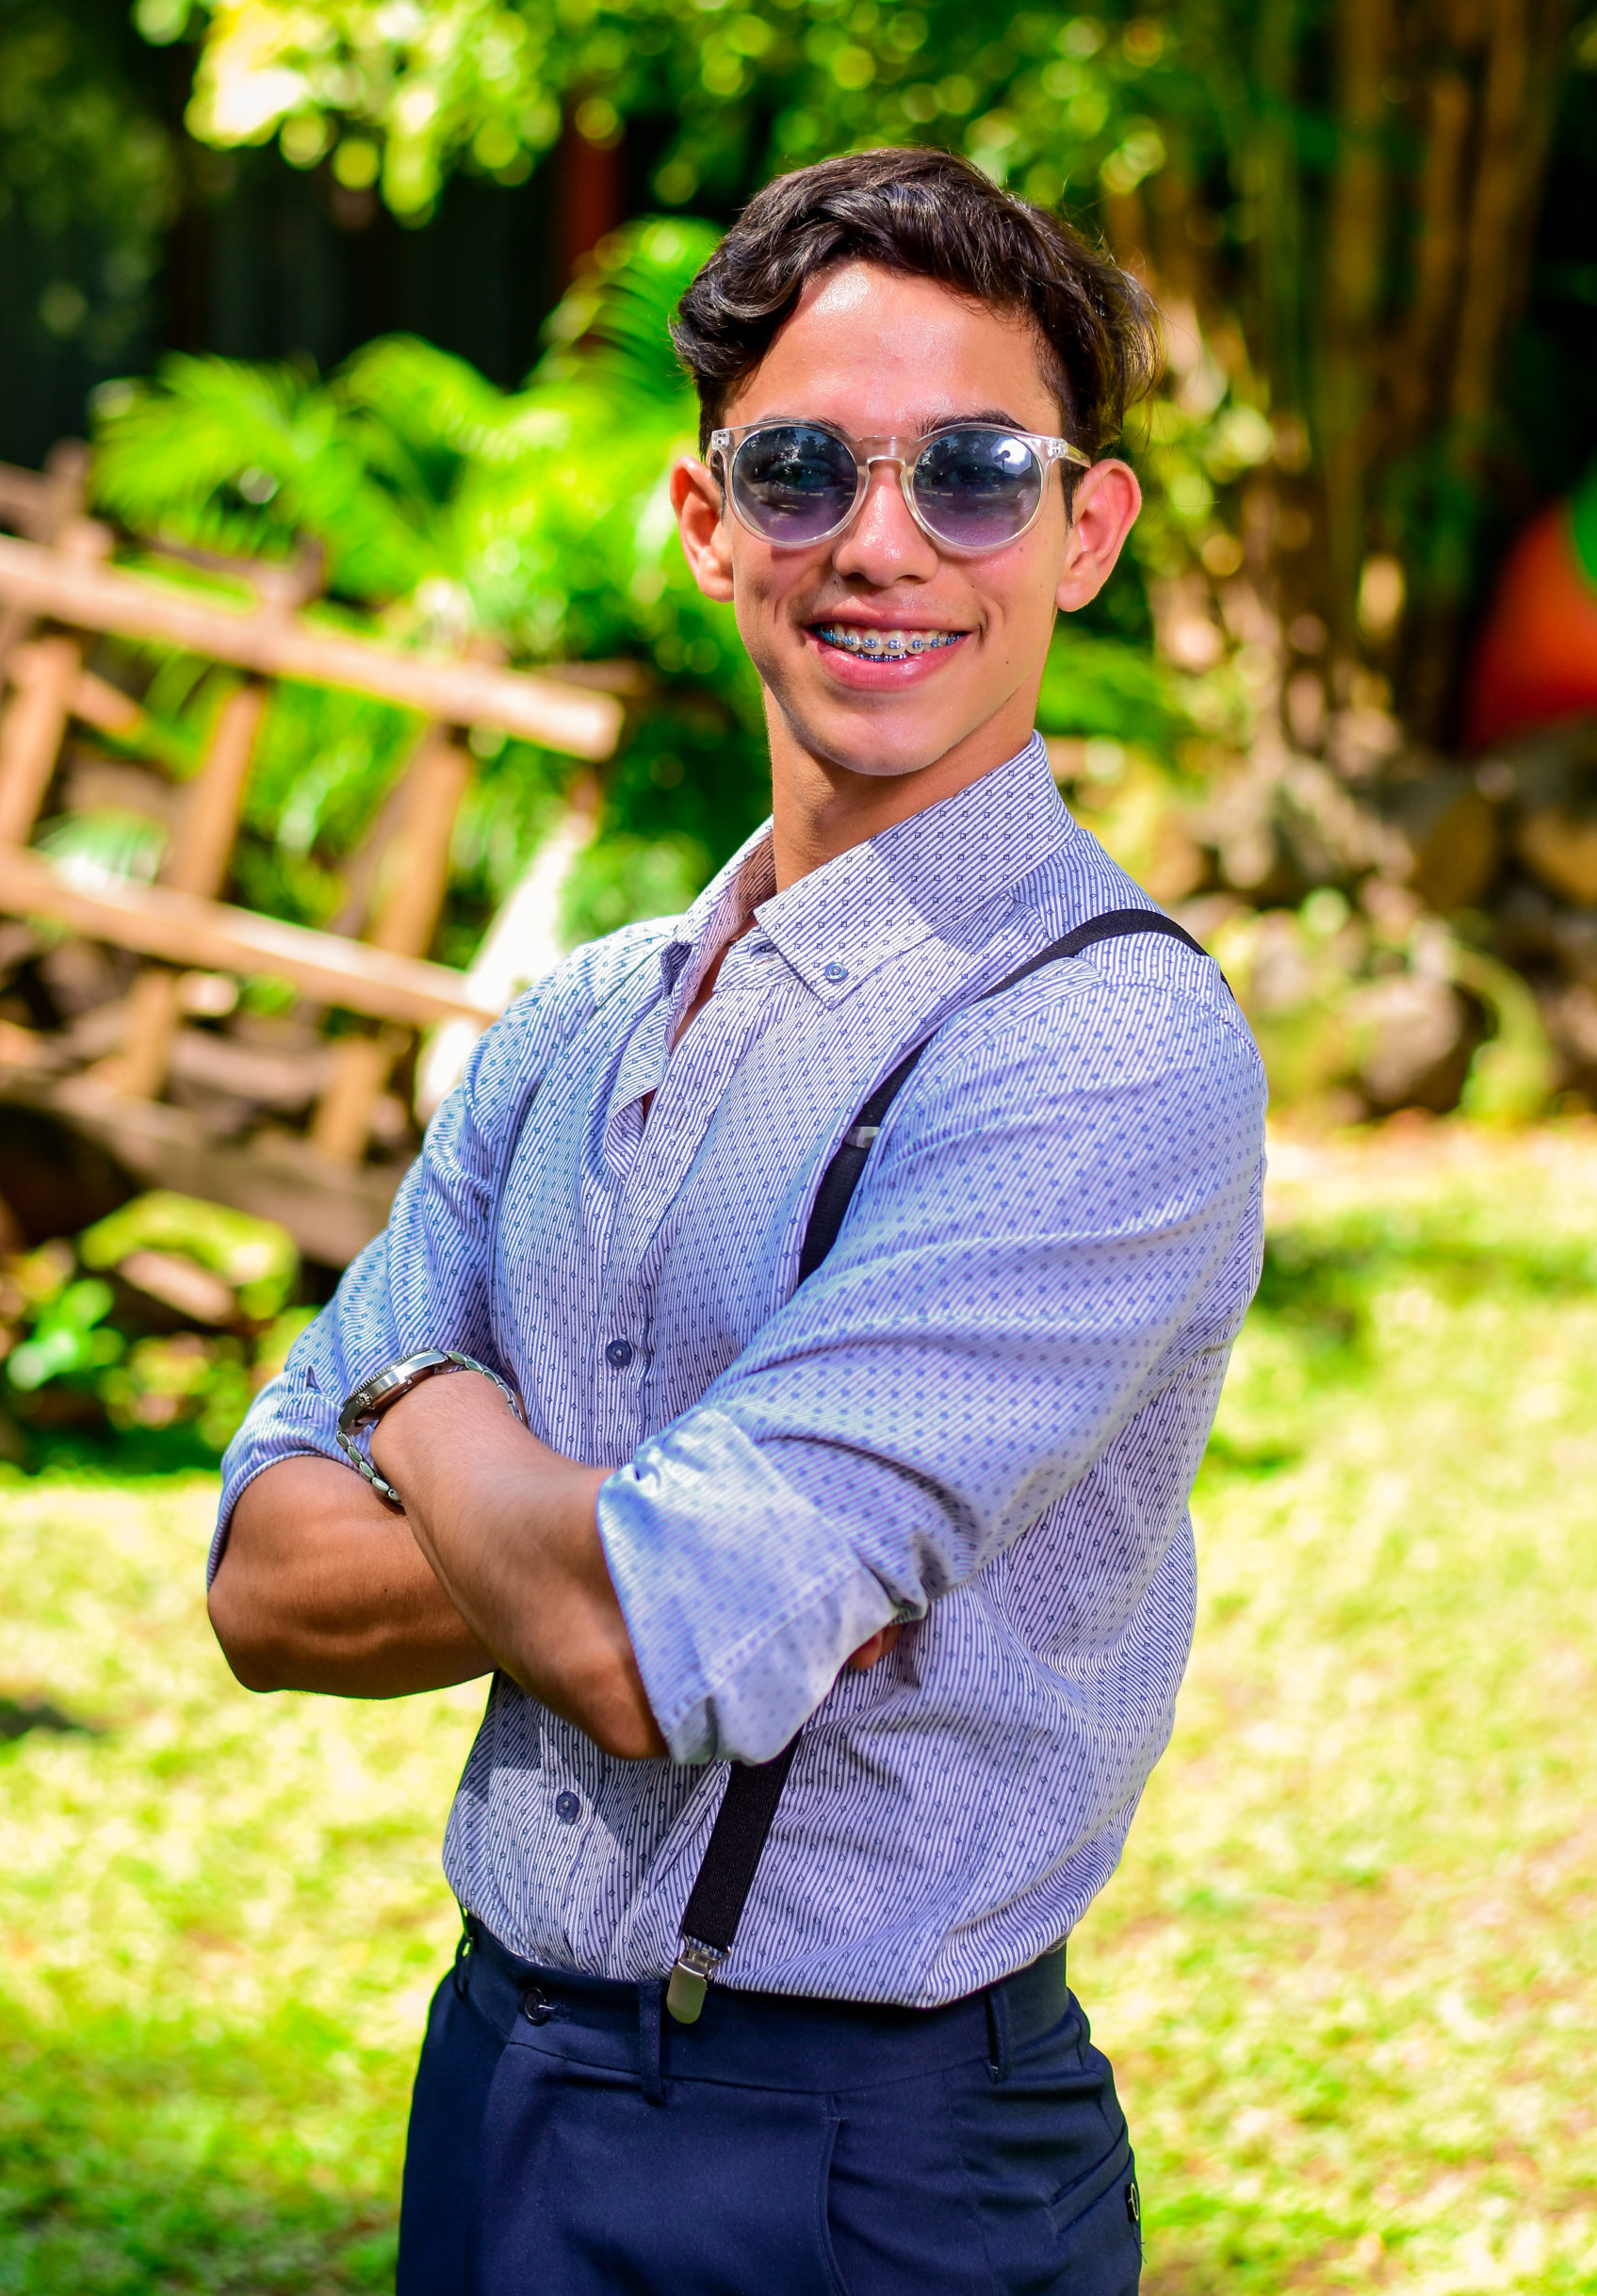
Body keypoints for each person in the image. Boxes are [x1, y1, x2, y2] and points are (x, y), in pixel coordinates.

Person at [206, 146, 1266, 2296]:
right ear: (707, 522)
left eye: (973, 472)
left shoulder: (1106, 1041)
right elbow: (261, 1584)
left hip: (861, 2163)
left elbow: (644, 1646)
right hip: (496, 2074)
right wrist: (632, 1541)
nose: (882, 540)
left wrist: (408, 1395)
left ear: (1084, 531)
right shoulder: (575, 1019)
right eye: (801, 468)